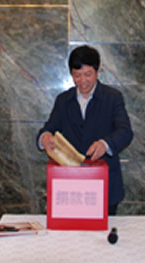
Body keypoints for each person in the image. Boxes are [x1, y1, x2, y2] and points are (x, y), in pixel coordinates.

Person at [37, 45, 133, 215]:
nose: (82, 81)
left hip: (105, 184)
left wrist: (105, 144)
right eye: (77, 75)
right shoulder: (63, 100)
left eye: (88, 74)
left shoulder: (113, 98)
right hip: (71, 186)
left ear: (97, 71)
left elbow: (125, 132)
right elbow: (49, 128)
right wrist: (44, 137)